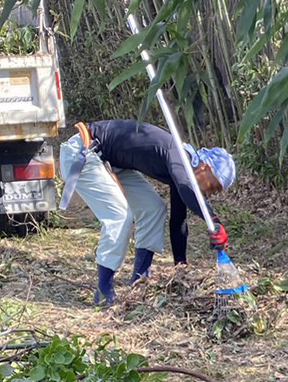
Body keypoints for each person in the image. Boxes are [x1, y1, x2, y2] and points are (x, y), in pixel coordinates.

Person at [58, 121, 236, 306]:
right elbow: (186, 189)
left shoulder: (183, 173)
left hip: (111, 161)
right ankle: (104, 291)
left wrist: (180, 267)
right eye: (213, 186)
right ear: (205, 168)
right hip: (84, 151)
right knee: (120, 216)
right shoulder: (179, 156)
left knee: (154, 209)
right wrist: (213, 220)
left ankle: (139, 279)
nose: (210, 193)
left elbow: (178, 221)